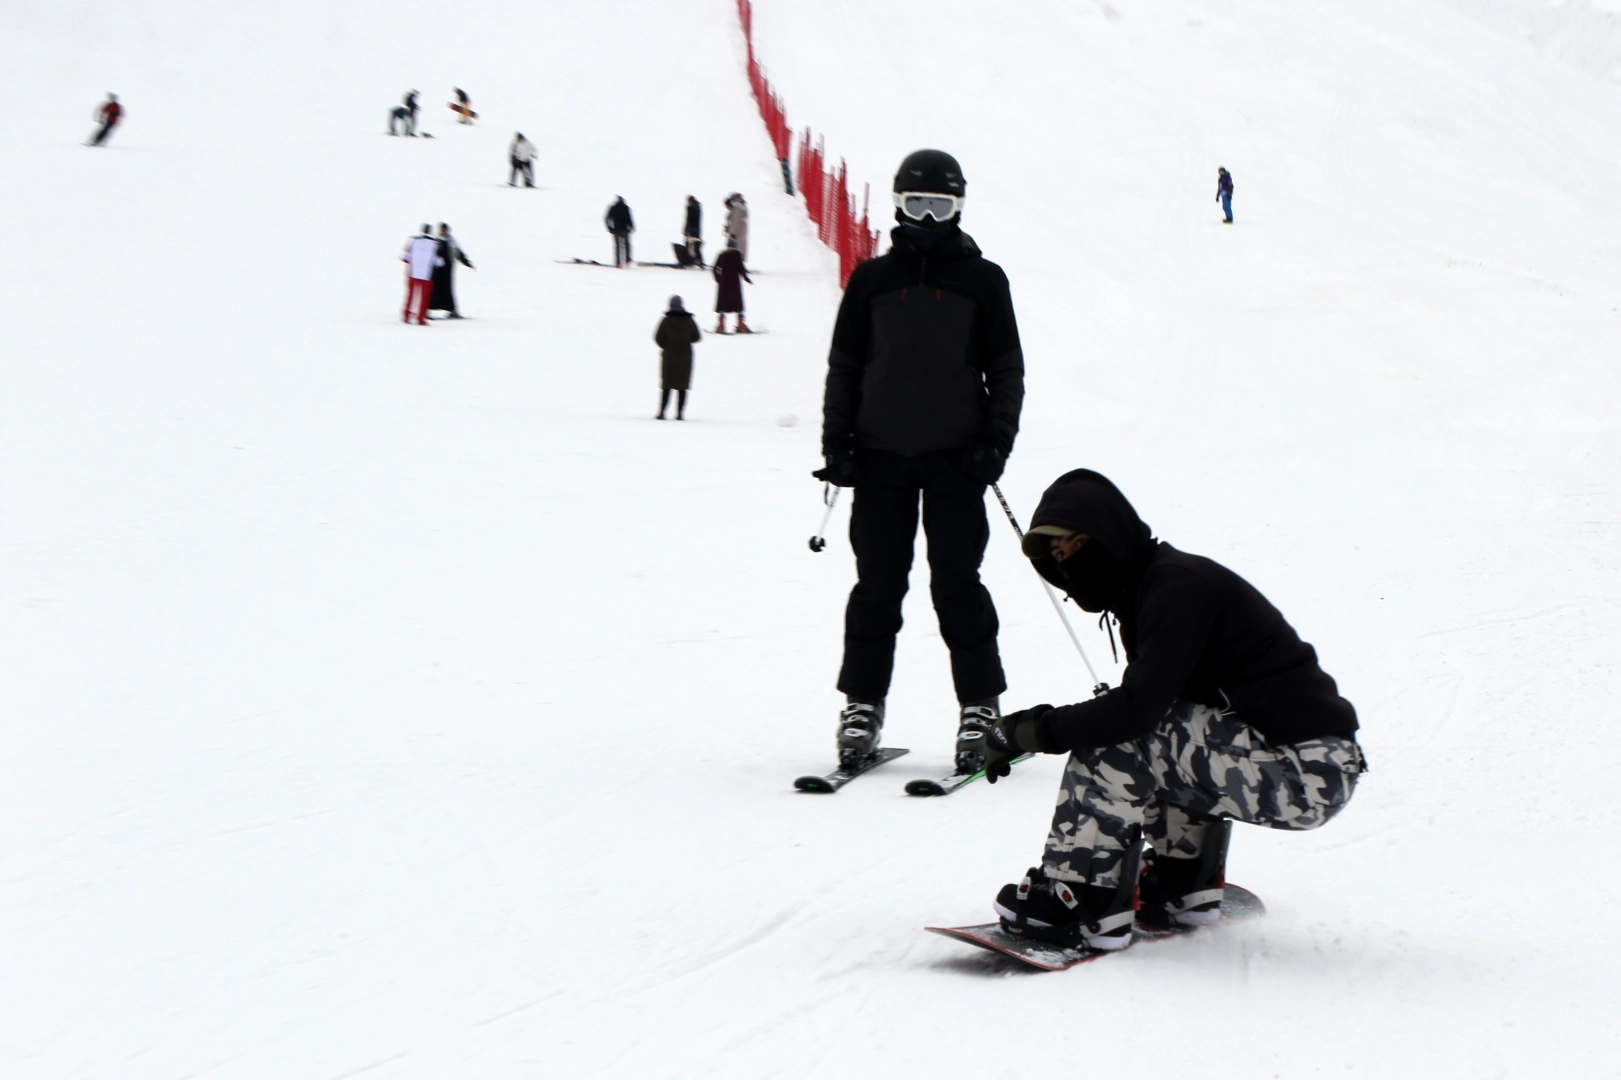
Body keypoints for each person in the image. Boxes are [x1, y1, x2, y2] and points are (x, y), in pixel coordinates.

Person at [979, 469, 1365, 952]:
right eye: (1058, 557)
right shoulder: (1153, 591)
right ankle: (1183, 882)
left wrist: (1029, 732)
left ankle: (1081, 897)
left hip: (1307, 773)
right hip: (1306, 768)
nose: (1069, 562)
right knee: (1161, 730)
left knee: (1120, 735)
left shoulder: (1176, 585)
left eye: (1076, 544)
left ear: (1109, 534)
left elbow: (1135, 715)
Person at [815, 149, 1024, 773]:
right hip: (879, 458)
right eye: (914, 206)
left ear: (958, 209)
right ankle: (862, 706)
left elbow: (1006, 371)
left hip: (956, 460)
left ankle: (980, 710)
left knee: (957, 585)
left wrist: (995, 443)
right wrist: (838, 443)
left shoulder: (983, 281)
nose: (926, 219)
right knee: (878, 586)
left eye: (939, 207)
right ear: (898, 209)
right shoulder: (872, 281)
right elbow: (845, 367)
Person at [654, 296, 701, 420]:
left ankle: (662, 411)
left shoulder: (666, 321)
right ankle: (680, 413)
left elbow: (658, 338)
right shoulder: (689, 321)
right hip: (685, 356)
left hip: (669, 356)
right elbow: (697, 337)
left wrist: (666, 345)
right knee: (682, 386)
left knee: (667, 385)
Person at [428, 223, 474, 319]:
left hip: (448, 269)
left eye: (444, 230)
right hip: (437, 269)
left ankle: (452, 311)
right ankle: (427, 310)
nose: (443, 232)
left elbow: (459, 253)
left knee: (448, 290)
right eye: (441, 230)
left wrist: (467, 263)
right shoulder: (435, 241)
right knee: (435, 290)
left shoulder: (452, 241)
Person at [401, 225, 443, 325]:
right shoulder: (435, 244)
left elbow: (404, 256)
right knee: (424, 298)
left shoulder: (412, 241)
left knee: (410, 295)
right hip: (427, 275)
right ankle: (421, 318)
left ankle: (407, 315)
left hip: (413, 273)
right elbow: (438, 261)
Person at [711, 239, 751, 333]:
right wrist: (746, 278)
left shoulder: (722, 255)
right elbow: (741, 269)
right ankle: (741, 324)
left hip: (724, 283)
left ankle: (721, 325)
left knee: (722, 304)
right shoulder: (736, 256)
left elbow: (715, 269)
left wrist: (718, 279)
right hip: (734, 284)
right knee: (737, 304)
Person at [605, 196, 634, 268]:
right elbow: (629, 218)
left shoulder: (613, 208)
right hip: (624, 230)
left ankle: (618, 262)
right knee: (627, 245)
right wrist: (631, 227)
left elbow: (607, 218)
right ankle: (627, 259)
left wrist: (610, 228)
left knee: (617, 246)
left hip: (616, 230)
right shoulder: (626, 208)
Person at [722, 193, 749, 261]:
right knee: (739, 248)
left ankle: (735, 263)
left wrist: (733, 233)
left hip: (737, 232)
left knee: (735, 248)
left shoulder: (738, 208)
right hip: (739, 232)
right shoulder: (741, 207)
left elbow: (736, 221)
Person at [680, 196, 704, 268]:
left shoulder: (695, 208)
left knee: (695, 247)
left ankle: (699, 262)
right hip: (690, 229)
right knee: (688, 246)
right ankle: (689, 261)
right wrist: (685, 229)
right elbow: (687, 220)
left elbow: (692, 221)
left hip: (694, 230)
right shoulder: (691, 208)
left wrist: (689, 231)